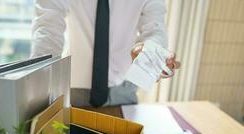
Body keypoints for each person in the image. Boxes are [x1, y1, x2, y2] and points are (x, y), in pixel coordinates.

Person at [31, 0, 180, 107]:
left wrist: (152, 52)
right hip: (75, 91)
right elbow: (48, 28)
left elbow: (155, 29)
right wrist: (40, 83)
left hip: (124, 88)